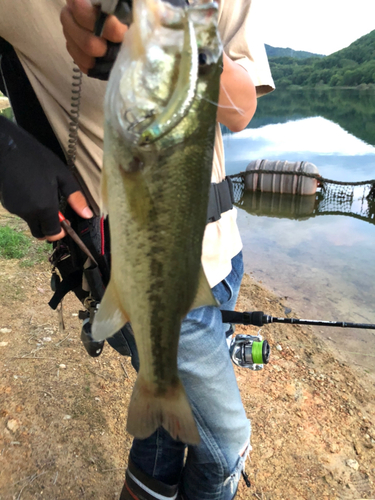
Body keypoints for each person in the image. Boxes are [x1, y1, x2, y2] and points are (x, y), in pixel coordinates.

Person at [0, 0, 274, 498]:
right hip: (130, 266)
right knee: (225, 448)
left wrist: (177, 44)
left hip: (223, 252)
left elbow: (241, 110)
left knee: (166, 435)